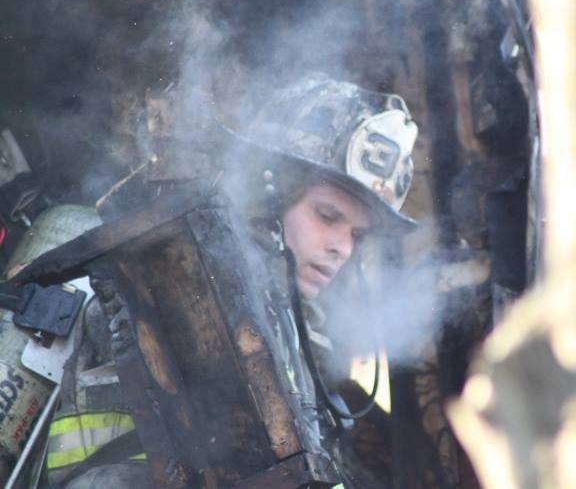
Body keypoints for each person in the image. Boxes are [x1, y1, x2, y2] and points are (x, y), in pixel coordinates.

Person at [36, 74, 419, 488]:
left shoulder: (278, 325)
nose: (342, 247)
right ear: (268, 194)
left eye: (357, 236)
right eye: (328, 217)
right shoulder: (195, 291)